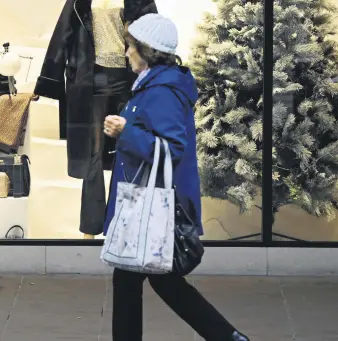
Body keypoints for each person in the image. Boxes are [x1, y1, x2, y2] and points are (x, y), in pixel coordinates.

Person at [102, 14, 250, 341]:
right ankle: (228, 337)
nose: (126, 53)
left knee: (136, 280)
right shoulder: (153, 85)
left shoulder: (162, 91)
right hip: (149, 203)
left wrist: (125, 132)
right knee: (152, 280)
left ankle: (227, 337)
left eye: (131, 46)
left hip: (153, 207)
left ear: (148, 50)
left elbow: (172, 150)